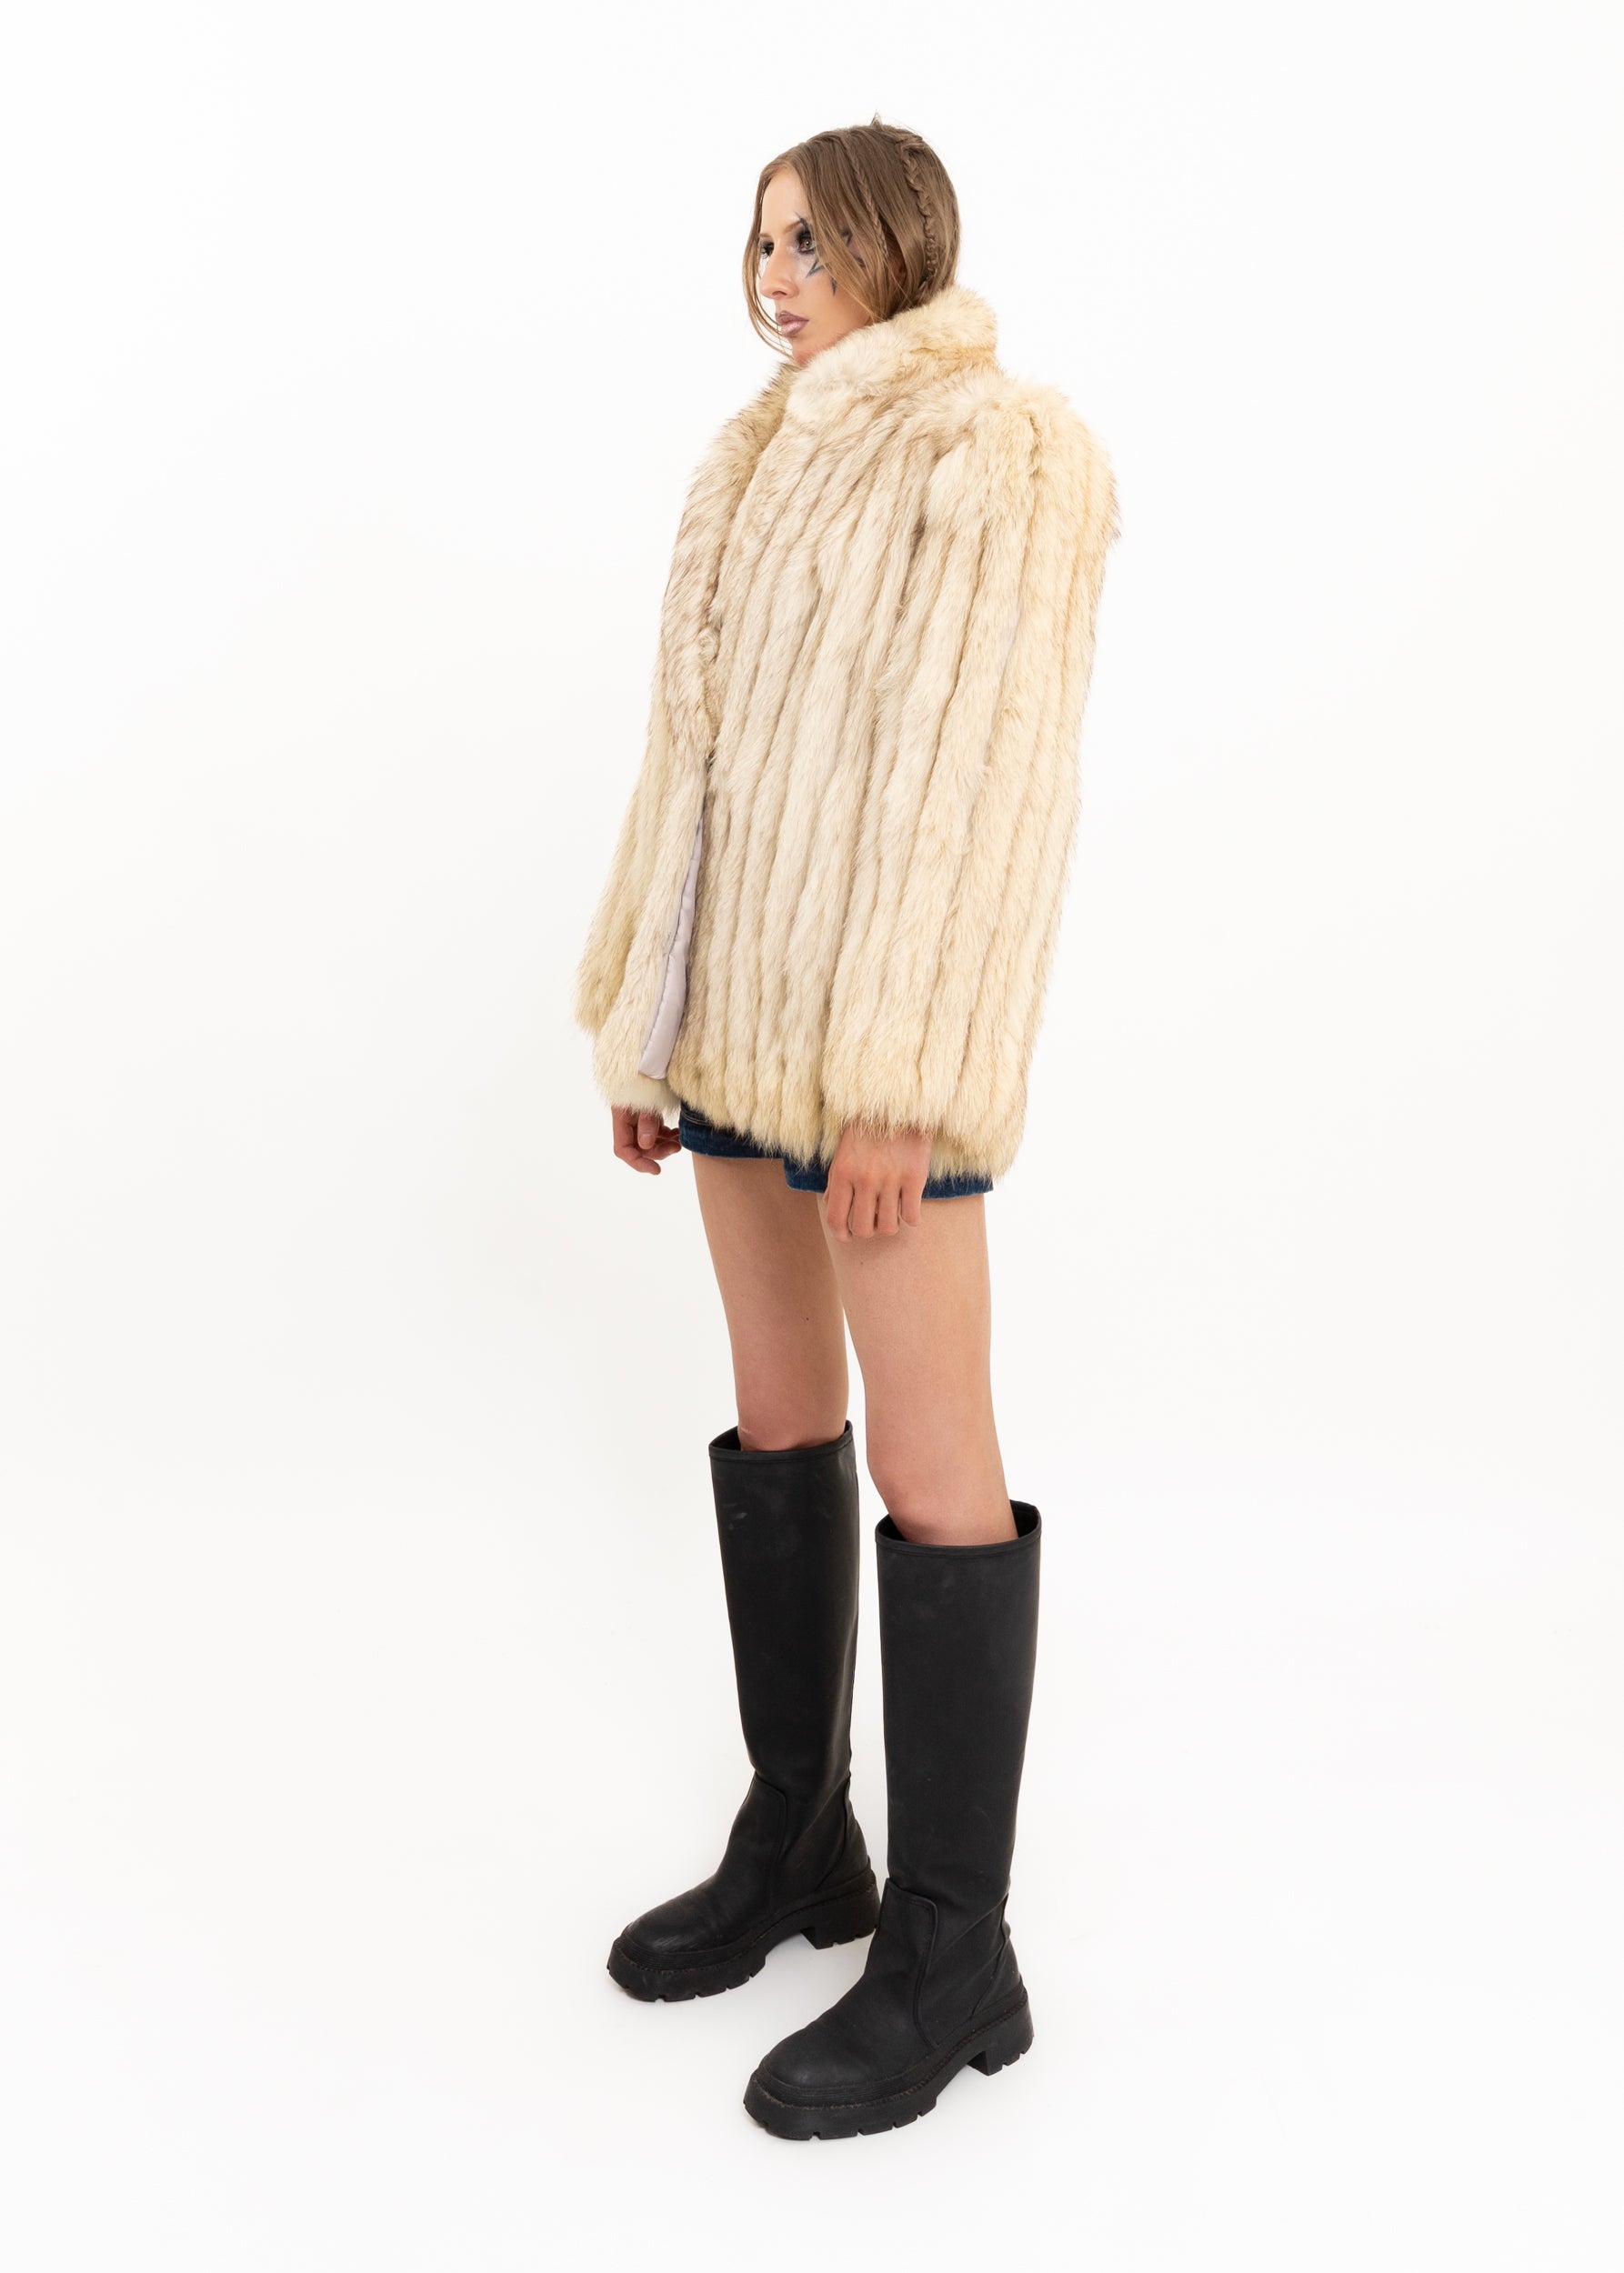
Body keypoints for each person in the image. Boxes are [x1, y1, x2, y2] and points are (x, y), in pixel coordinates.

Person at [572, 116, 1118, 2139]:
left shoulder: (1000, 448)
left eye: (805, 241)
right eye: (758, 243)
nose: (773, 275)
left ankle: (958, 1952)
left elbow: (983, 775)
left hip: (880, 1047)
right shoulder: (750, 456)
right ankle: (803, 1833)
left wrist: (901, 1071)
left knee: (931, 1454)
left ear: (896, 241)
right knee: (777, 1409)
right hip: (735, 1026)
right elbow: (691, 762)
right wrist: (649, 1021)